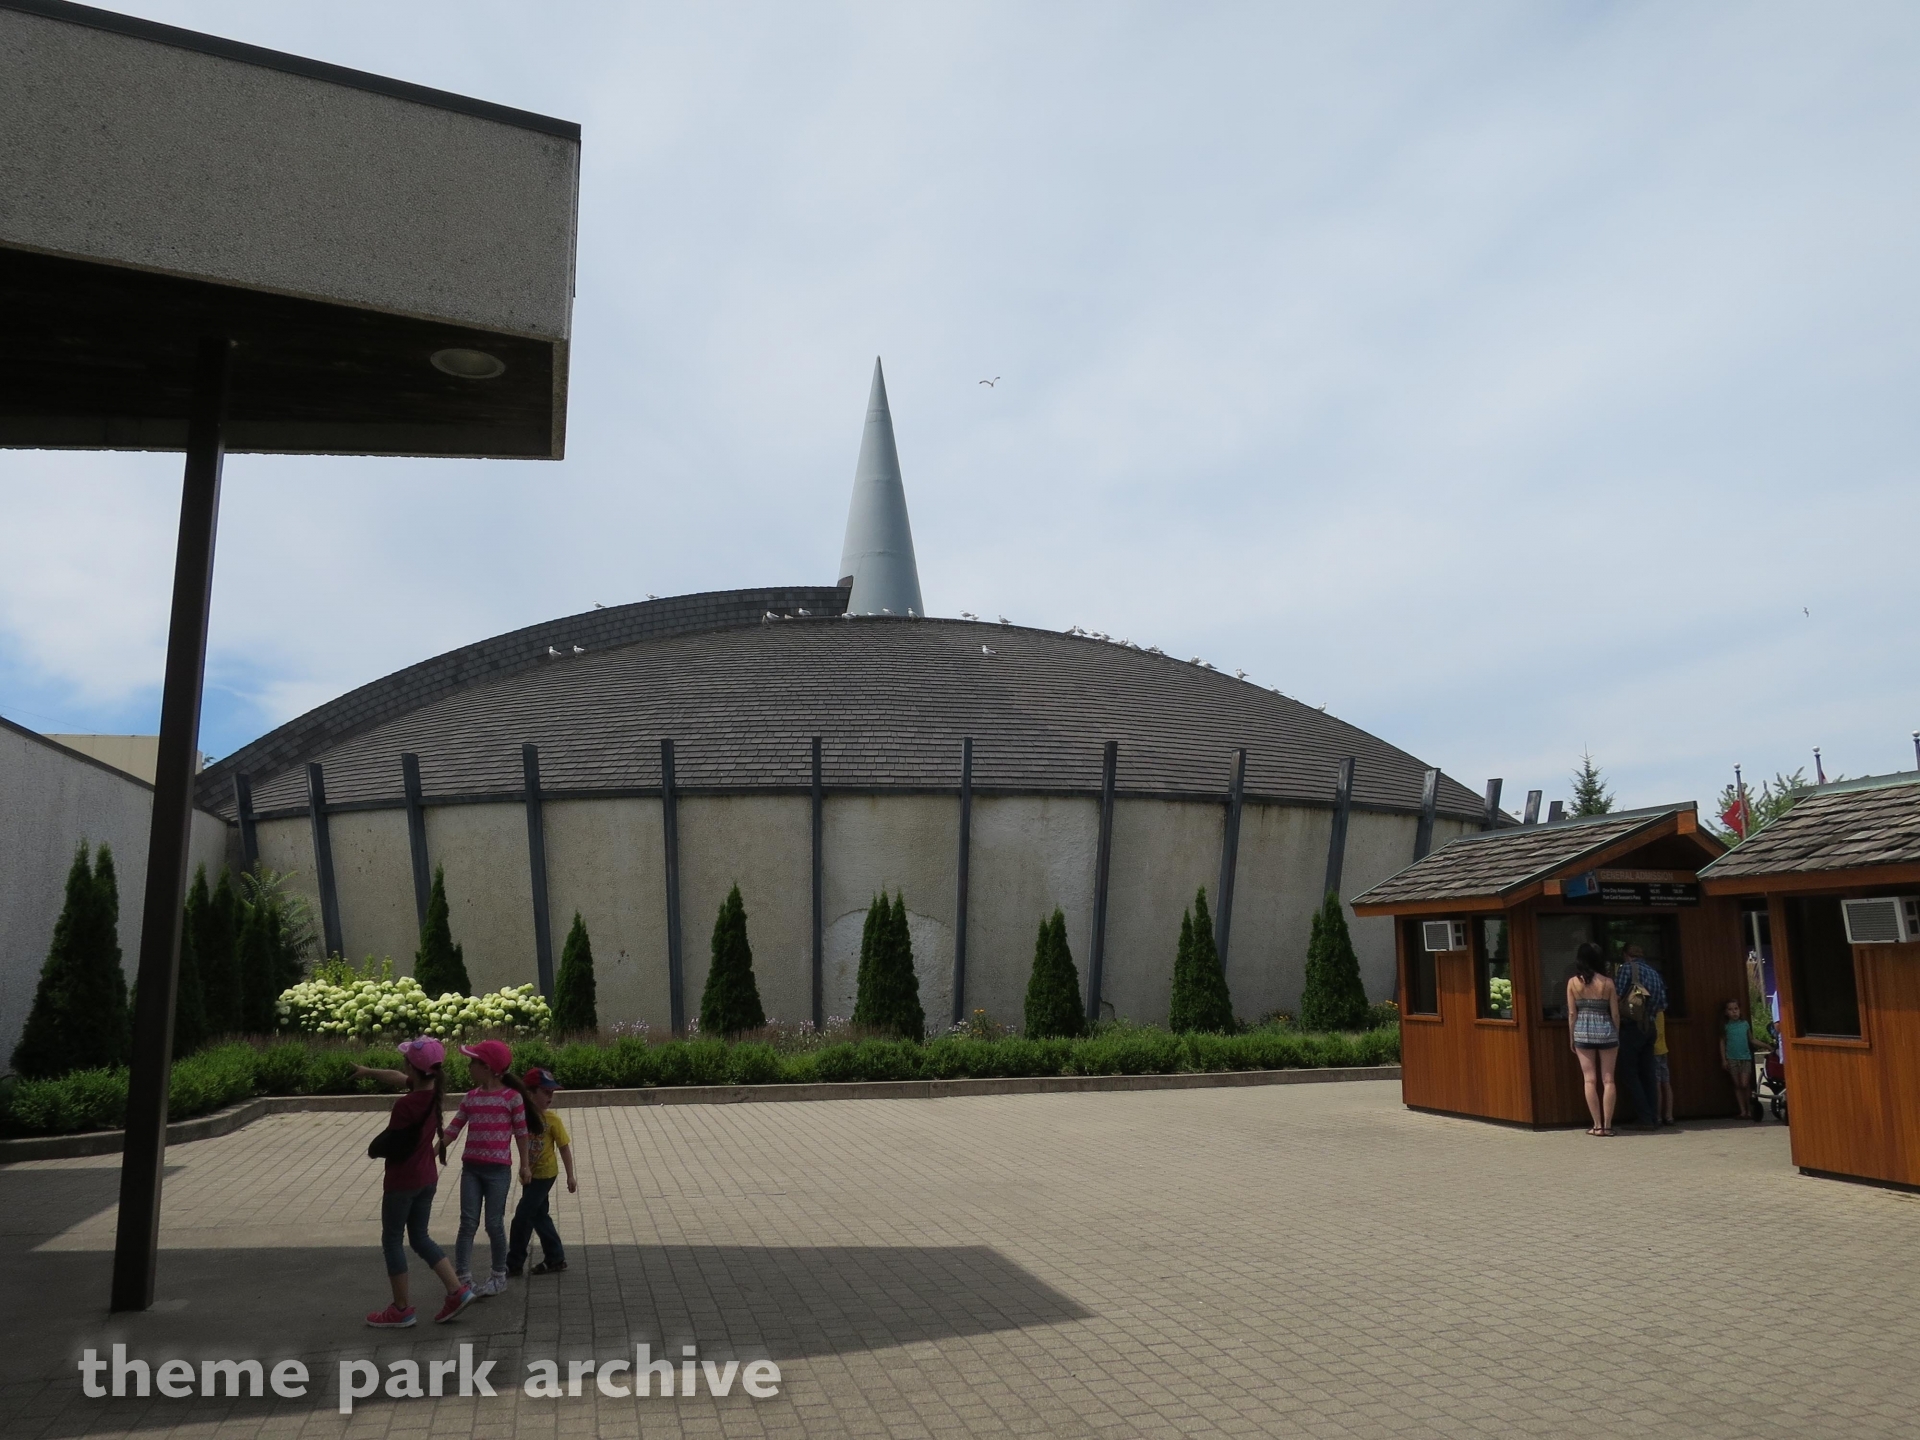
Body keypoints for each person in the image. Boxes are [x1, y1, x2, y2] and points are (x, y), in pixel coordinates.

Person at [351, 1037, 477, 1327]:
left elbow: (394, 1143)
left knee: (392, 1239)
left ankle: (401, 1309)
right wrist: (369, 1072)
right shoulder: (433, 1093)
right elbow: (398, 1078)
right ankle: (457, 1291)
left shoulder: (406, 1105)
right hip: (426, 1178)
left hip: (402, 1181)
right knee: (420, 1237)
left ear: (411, 1067)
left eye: (405, 1060)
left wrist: (374, 1149)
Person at [443, 1039, 537, 1297]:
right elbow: (454, 1127)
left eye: (473, 1062)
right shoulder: (471, 1097)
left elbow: (521, 1133)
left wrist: (525, 1165)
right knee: (467, 1223)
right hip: (471, 1169)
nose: (469, 1067)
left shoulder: (512, 1098)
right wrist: (435, 1150)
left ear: (488, 1067)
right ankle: (462, 1279)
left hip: (498, 1171)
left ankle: (498, 1276)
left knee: (494, 1224)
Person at [508, 1066, 576, 1277]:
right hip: (529, 1174)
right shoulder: (521, 1117)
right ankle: (555, 1257)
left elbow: (564, 1148)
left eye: (552, 1092)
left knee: (522, 1217)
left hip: (545, 1174)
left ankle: (514, 1263)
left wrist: (570, 1176)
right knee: (539, 1216)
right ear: (529, 1093)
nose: (550, 1097)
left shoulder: (553, 1120)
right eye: (545, 1092)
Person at [1565, 941, 1619, 1136]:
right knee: (1608, 1080)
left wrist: (1571, 1036)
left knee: (1589, 1080)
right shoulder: (1608, 983)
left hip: (1583, 1031)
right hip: (1606, 1030)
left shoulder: (1573, 983)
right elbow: (1615, 1014)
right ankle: (1608, 1125)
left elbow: (1572, 1013)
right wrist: (1616, 1032)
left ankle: (1596, 1125)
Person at [1613, 943, 1667, 1131]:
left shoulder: (1627, 969)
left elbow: (1617, 996)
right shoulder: (1654, 972)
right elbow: (1662, 1005)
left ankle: (1644, 1118)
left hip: (1631, 1027)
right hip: (1650, 1027)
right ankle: (1653, 1117)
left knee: (1629, 1073)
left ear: (1625, 954)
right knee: (1648, 1074)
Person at [1720, 998, 1762, 1122]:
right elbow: (1722, 1043)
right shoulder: (1726, 1026)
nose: (1734, 1012)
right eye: (1730, 1009)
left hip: (1745, 1058)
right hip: (1732, 1058)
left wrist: (1766, 1045)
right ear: (1726, 1012)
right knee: (1737, 1084)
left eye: (1736, 1009)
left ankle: (1749, 1109)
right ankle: (1743, 1111)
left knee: (1744, 1083)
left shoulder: (1744, 1024)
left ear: (1740, 1010)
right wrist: (1724, 1059)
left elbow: (1751, 1039)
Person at [1653, 1009, 1675, 1127]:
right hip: (1663, 1049)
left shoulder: (1652, 1013)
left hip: (1654, 1050)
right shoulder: (1661, 1013)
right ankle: (1669, 1115)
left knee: (1657, 1084)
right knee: (1666, 1083)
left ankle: (1658, 1116)